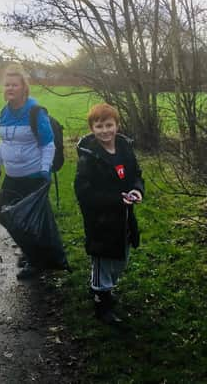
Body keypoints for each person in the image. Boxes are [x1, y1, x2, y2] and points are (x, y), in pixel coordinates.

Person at [74, 103, 144, 324]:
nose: (105, 130)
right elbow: (84, 193)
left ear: (117, 125)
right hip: (100, 221)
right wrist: (115, 200)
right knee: (103, 261)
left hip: (124, 218)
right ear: (92, 129)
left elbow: (136, 175)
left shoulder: (124, 149)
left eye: (109, 125)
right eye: (99, 126)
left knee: (120, 258)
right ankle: (101, 302)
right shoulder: (89, 157)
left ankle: (104, 288)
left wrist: (137, 189)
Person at [0, 64, 56, 279]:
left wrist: (45, 171)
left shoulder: (35, 112)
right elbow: (4, 142)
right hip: (12, 176)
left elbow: (48, 144)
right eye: (7, 84)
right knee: (4, 216)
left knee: (30, 222)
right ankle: (30, 253)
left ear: (23, 88)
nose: (10, 88)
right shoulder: (4, 112)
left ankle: (35, 261)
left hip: (33, 176)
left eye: (14, 85)